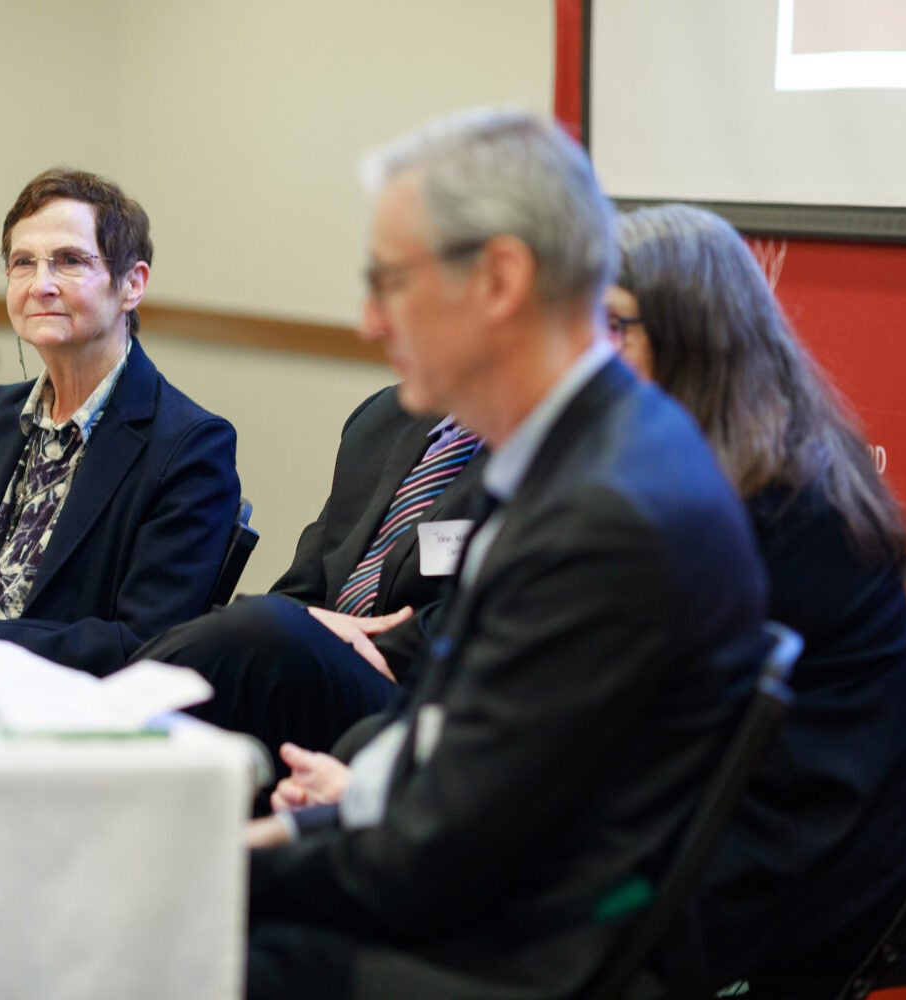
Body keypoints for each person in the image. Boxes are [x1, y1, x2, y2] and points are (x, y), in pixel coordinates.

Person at [245, 110, 769, 1000]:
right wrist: (282, 841)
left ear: (499, 279)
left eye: (393, 281)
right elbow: (448, 765)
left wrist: (204, 869)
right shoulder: (579, 456)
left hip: (527, 962)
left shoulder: (605, 513)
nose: (371, 320)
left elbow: (441, 860)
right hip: (492, 913)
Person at [606, 203, 906, 987]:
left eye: (616, 329)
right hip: (708, 825)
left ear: (692, 339)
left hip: (786, 864)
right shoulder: (697, 468)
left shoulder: (778, 500)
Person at [0, 168, 240, 677]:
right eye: (22, 263)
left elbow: (142, 643)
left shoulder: (189, 447)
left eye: (70, 262)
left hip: (56, 715)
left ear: (132, 285)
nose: (41, 285)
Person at [133, 385, 487, 766]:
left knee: (261, 631)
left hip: (428, 696)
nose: (374, 326)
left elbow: (497, 612)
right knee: (257, 639)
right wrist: (312, 626)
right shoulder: (384, 416)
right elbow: (299, 590)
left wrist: (331, 639)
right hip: (324, 672)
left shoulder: (540, 449)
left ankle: (108, 719)